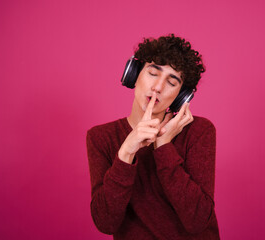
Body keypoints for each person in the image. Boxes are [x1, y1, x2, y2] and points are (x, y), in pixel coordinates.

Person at [86, 34, 220, 239]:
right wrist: (126, 151)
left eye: (172, 81)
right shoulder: (101, 137)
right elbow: (105, 222)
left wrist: (164, 147)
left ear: (181, 96)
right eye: (152, 73)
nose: (158, 87)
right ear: (134, 75)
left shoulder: (199, 131)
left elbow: (198, 221)